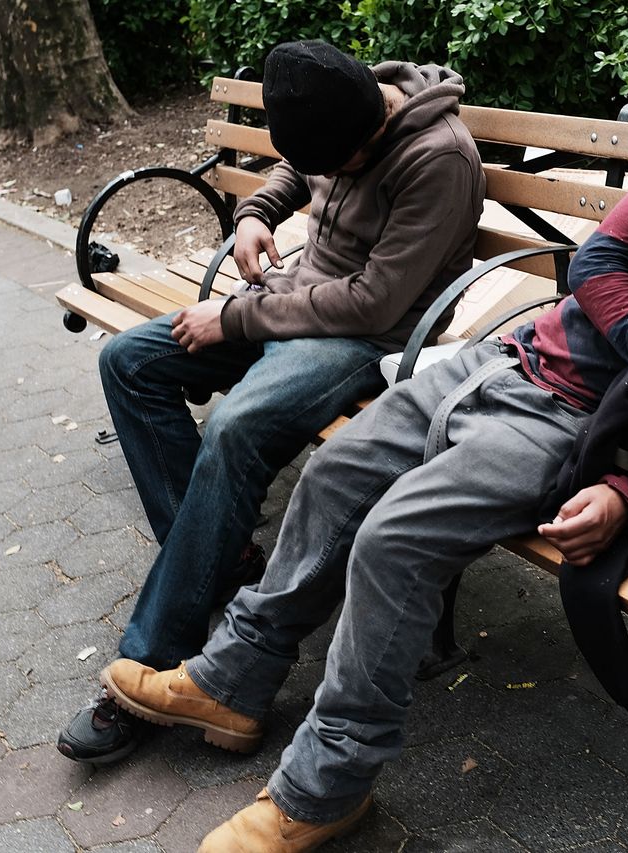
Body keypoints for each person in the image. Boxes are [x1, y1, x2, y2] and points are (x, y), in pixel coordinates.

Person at [94, 119, 628, 852]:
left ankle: (325, 786)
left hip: (574, 424)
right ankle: (233, 679)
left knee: (397, 541)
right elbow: (600, 262)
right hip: (505, 356)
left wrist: (625, 485)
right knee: (334, 473)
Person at [56, 39, 486, 765]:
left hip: (364, 336)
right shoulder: (347, 103)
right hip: (294, 303)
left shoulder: (438, 158)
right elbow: (297, 166)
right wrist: (257, 212)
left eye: (340, 164)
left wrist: (233, 318)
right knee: (128, 361)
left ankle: (157, 659)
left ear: (370, 135)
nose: (329, 174)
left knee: (233, 428)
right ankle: (222, 562)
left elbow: (374, 299)